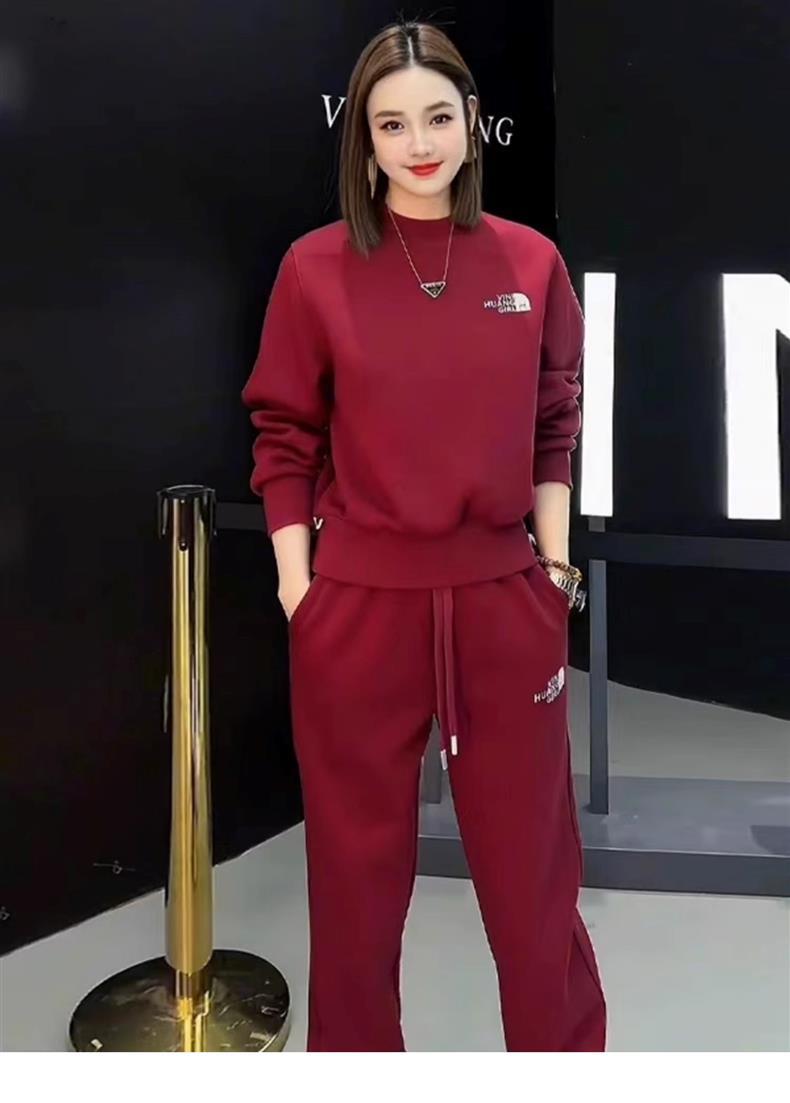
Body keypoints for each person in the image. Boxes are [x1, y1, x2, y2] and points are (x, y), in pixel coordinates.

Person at [241, 18, 607, 1052]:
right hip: (358, 609)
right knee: (353, 895)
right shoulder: (314, 269)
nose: (418, 143)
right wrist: (300, 588)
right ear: (363, 139)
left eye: (437, 116)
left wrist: (552, 570)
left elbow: (554, 423)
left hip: (502, 600)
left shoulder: (531, 261)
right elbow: (283, 433)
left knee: (534, 884)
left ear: (472, 122)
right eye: (391, 123)